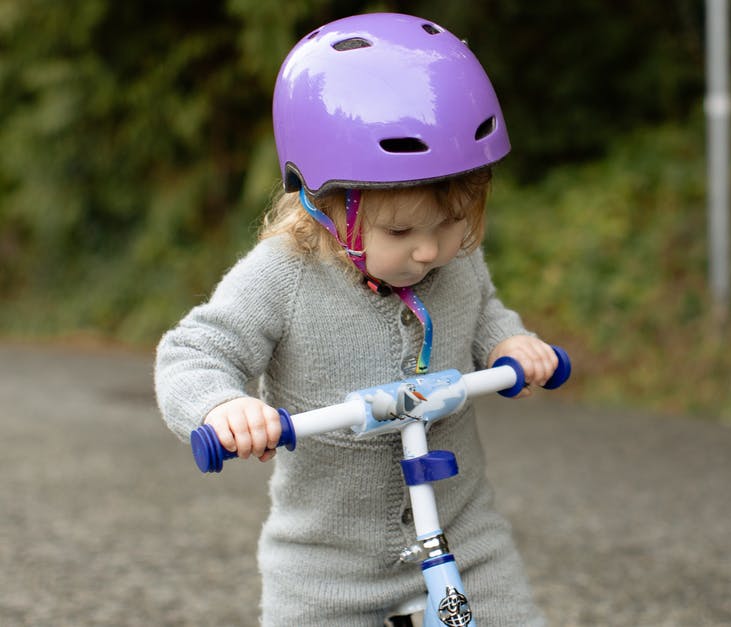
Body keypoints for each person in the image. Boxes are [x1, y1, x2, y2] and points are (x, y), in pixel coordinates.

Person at [154, 13, 555, 626]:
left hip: (465, 538)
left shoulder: (456, 261)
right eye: (401, 231)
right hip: (326, 566)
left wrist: (511, 341)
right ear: (323, 204)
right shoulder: (284, 275)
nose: (430, 251)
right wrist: (220, 407)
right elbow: (195, 350)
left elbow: (485, 315)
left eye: (452, 222)